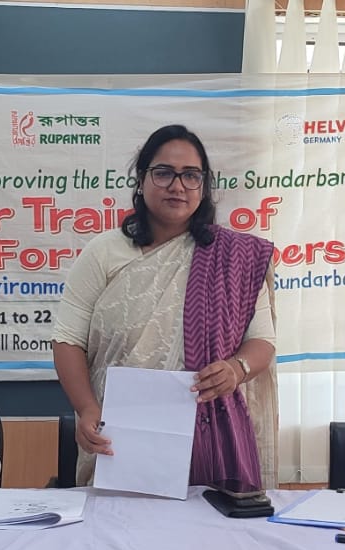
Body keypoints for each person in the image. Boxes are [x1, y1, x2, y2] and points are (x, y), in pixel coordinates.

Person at [51, 124, 277, 488]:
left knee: (208, 523)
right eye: (164, 173)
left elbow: (262, 341)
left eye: (191, 175)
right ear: (141, 181)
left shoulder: (234, 259)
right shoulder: (104, 252)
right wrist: (88, 408)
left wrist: (237, 369)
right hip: (118, 433)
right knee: (119, 521)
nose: (177, 186)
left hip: (210, 435)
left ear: (204, 186)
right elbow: (68, 339)